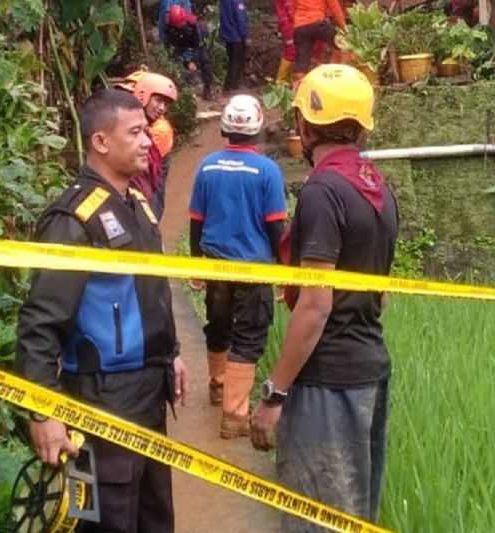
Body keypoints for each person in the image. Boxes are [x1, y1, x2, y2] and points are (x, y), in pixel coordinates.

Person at [16, 89, 188, 533]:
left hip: (150, 396)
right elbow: (39, 323)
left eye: (146, 131)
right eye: (135, 132)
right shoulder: (74, 220)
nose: (148, 141)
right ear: (101, 142)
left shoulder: (140, 205)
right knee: (107, 522)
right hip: (101, 401)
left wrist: (173, 352)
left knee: (155, 517)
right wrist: (44, 411)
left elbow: (151, 291)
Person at [250, 64, 399, 531]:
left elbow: (316, 304)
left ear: (306, 125)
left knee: (317, 519)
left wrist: (274, 393)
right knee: (354, 513)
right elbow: (382, 295)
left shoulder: (323, 191)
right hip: (370, 367)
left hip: (328, 380)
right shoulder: (377, 185)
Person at [188, 94, 287, 438]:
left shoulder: (207, 166)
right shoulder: (267, 170)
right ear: (258, 128)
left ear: (226, 128)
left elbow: (196, 221)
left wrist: (195, 263)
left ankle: (218, 386)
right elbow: (276, 226)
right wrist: (285, 271)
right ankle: (234, 416)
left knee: (218, 326)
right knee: (248, 337)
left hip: (216, 266)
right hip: (253, 269)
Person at [117, 71, 179, 221]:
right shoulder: (122, 128)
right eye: (158, 101)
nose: (162, 108)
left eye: (165, 104)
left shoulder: (158, 131)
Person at [166, 4, 214, 100]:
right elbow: (176, 47)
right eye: (179, 24)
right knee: (178, 64)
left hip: (196, 44)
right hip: (182, 47)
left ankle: (207, 88)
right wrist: (187, 61)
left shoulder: (193, 24)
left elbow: (198, 44)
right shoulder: (170, 29)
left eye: (183, 23)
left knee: (205, 62)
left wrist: (193, 60)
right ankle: (182, 92)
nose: (182, 25)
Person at [291, 0, 347, 81]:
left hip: (300, 26)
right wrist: (345, 28)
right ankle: (340, 77)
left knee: (301, 65)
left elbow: (293, 7)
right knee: (345, 44)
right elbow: (334, 7)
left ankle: (298, 90)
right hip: (317, 22)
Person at [219, 0, 249, 92]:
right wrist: (245, 35)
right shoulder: (236, 1)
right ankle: (233, 86)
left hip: (228, 36)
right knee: (237, 62)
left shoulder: (224, 2)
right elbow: (241, 19)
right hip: (237, 36)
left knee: (232, 61)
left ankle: (228, 86)